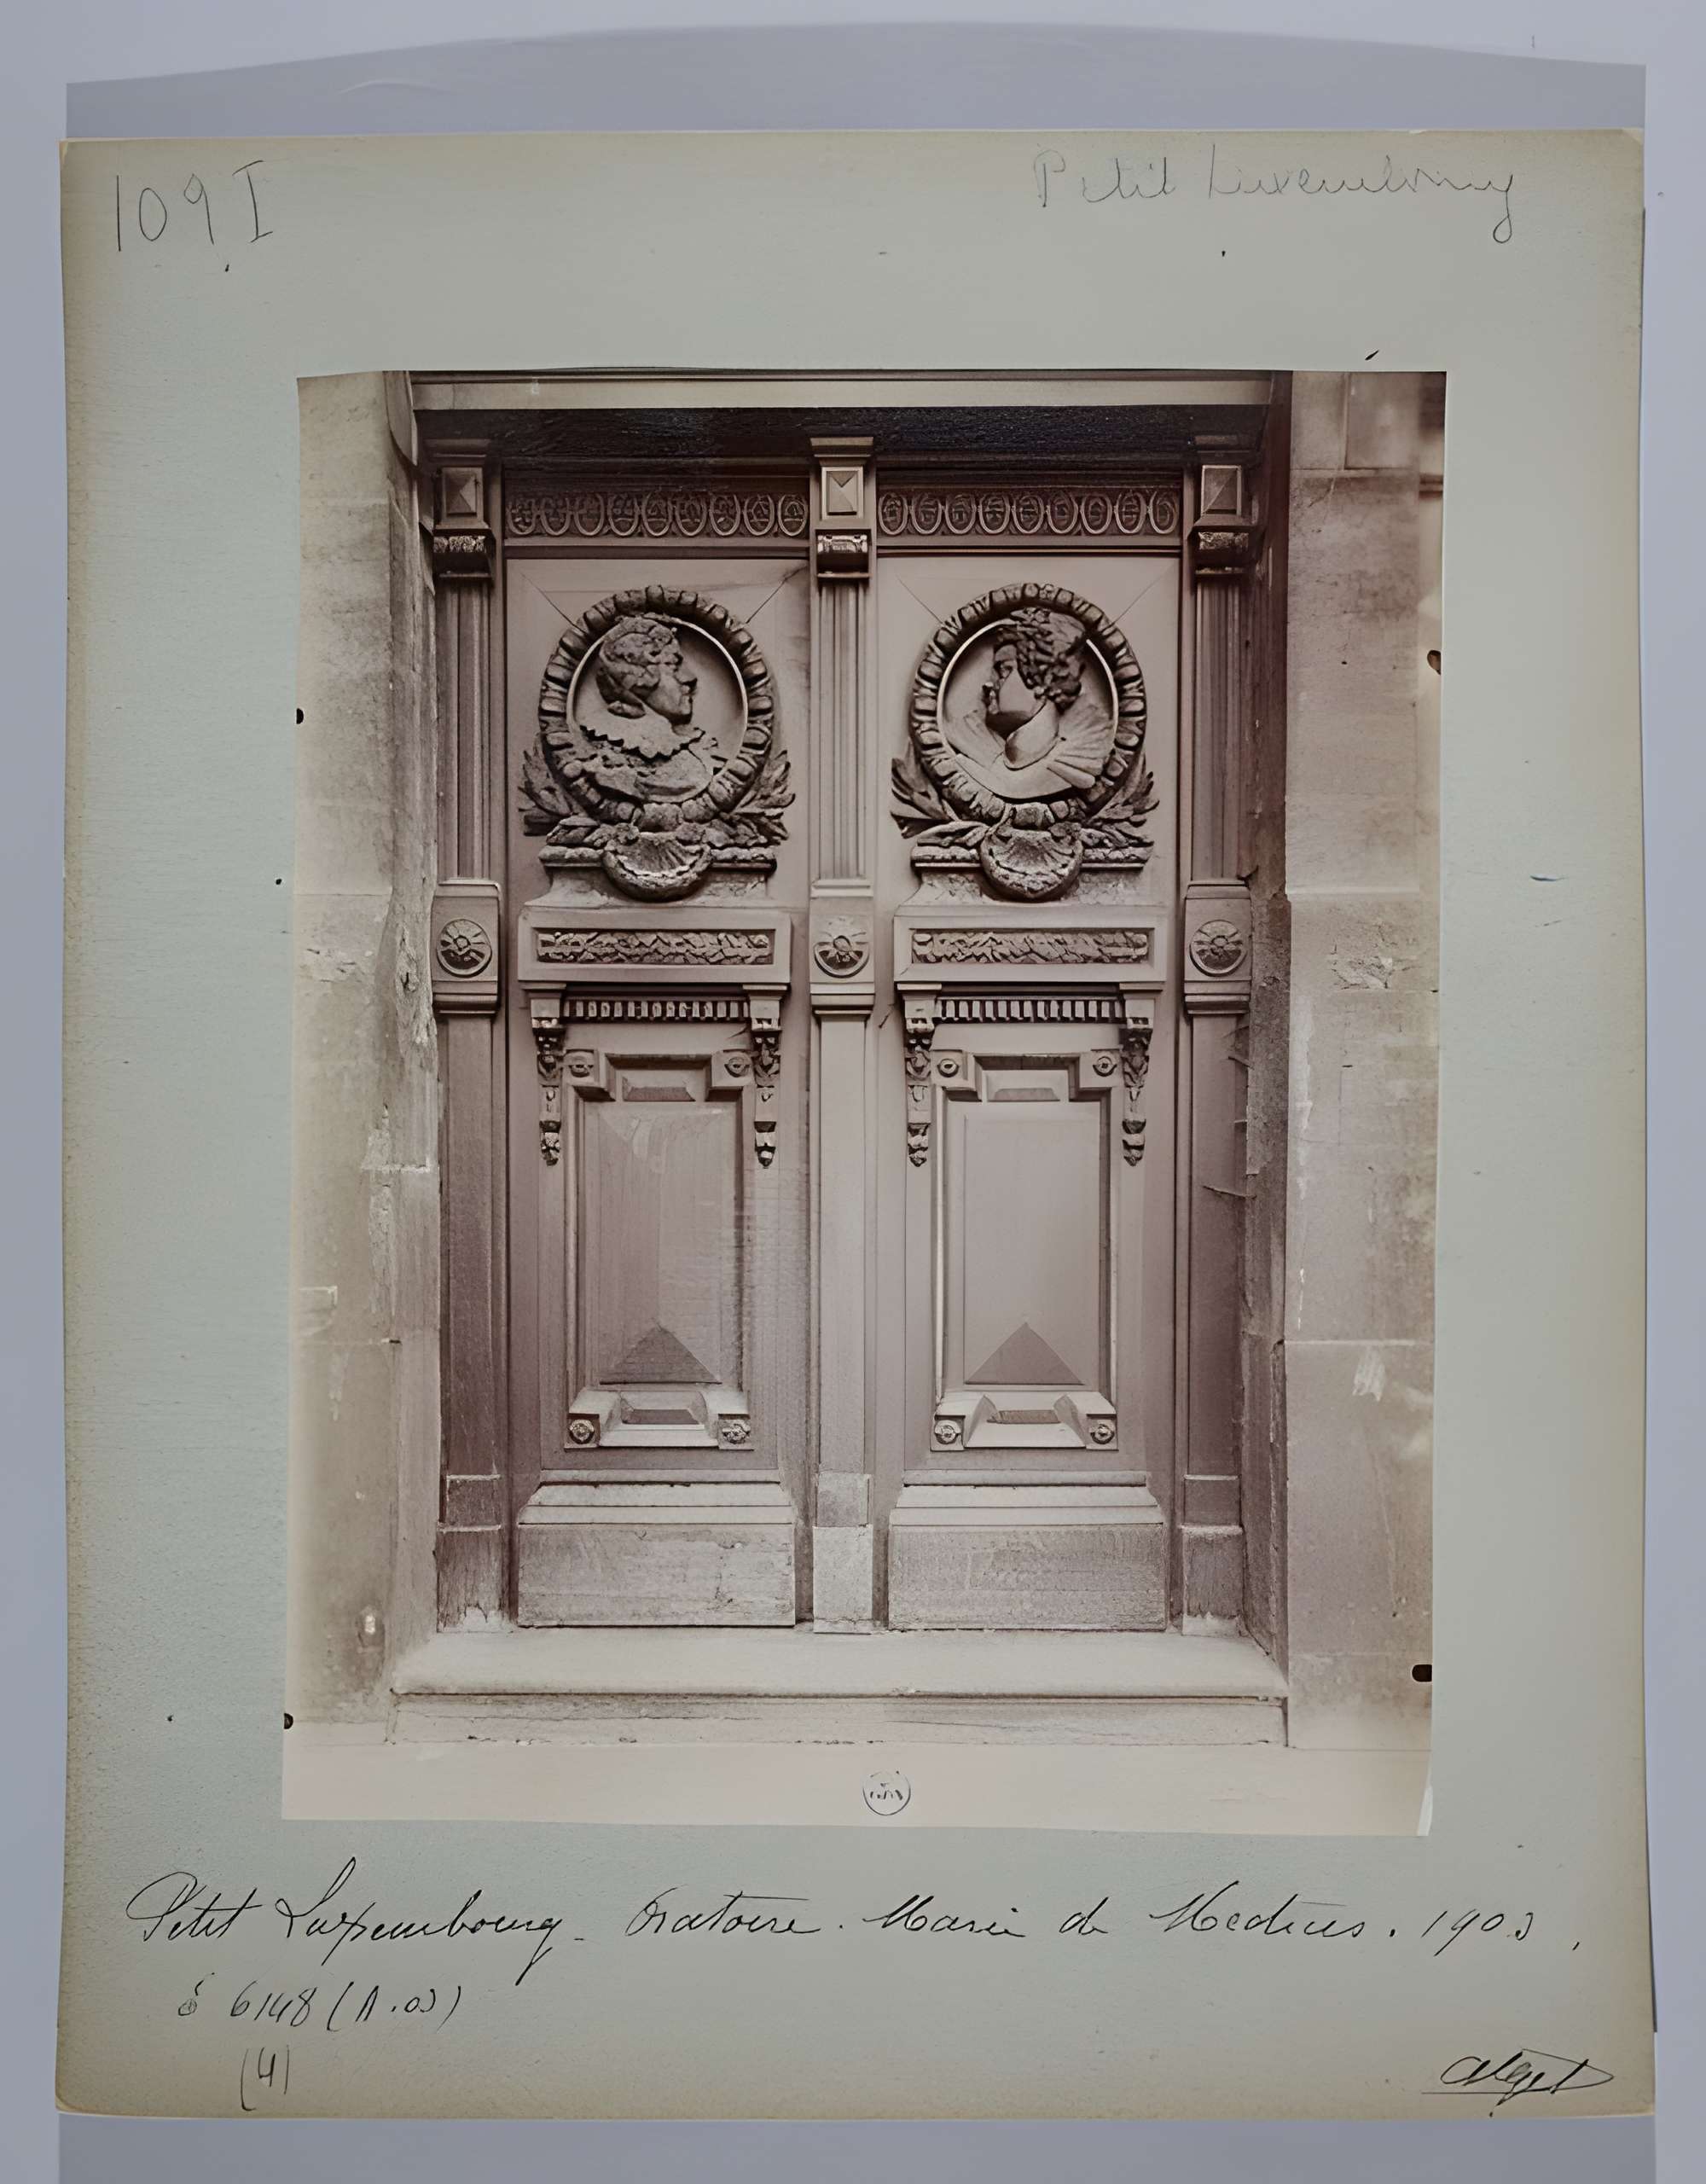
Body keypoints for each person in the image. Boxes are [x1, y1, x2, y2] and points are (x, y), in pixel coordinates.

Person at [944, 607, 1111, 800]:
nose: (989, 683)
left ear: (1044, 680)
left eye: (1004, 670)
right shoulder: (968, 747)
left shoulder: (1079, 763)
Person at [577, 613, 713, 799]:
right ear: (641, 676)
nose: (689, 678)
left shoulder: (686, 747)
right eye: (673, 665)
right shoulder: (605, 750)